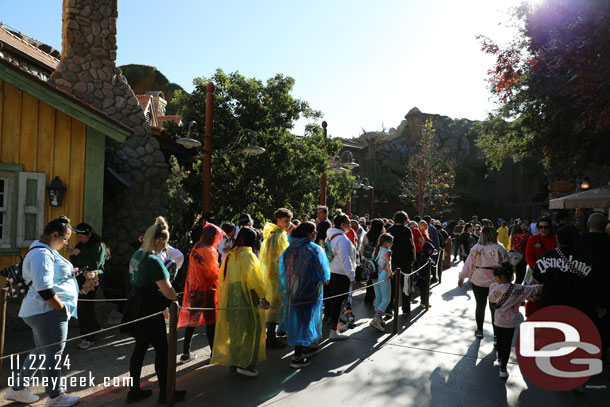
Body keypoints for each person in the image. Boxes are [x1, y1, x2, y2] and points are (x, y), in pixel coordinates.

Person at [5, 217, 80, 406]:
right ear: (55, 235)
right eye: (65, 240)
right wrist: (60, 308)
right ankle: (55, 396)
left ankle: (18, 389)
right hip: (47, 311)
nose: (65, 244)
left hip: (42, 311)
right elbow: (44, 287)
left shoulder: (44, 251)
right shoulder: (42, 254)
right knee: (53, 354)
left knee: (41, 352)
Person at [121, 217, 185, 404]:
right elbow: (168, 291)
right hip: (149, 309)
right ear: (159, 240)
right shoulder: (153, 261)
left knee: (139, 349)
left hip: (135, 305)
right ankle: (166, 393)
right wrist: (176, 299)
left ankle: (134, 391)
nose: (165, 247)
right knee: (162, 351)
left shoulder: (136, 255)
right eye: (164, 243)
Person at [212, 227, 269, 377]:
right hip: (246, 297)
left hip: (231, 295)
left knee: (235, 331)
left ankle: (234, 363)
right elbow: (254, 281)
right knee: (252, 330)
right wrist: (263, 297)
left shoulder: (231, 254)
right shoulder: (248, 255)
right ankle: (245, 364)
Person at [278, 222, 331, 368]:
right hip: (309, 290)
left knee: (300, 319)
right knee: (305, 321)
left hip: (292, 290)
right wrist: (324, 278)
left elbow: (283, 271)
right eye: (314, 231)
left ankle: (305, 346)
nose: (315, 233)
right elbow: (323, 272)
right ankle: (298, 356)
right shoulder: (313, 249)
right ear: (308, 234)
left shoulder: (289, 249)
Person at [178, 223, 225, 361]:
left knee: (192, 323)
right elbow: (212, 273)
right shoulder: (209, 250)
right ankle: (213, 353)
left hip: (195, 289)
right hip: (207, 290)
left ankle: (186, 353)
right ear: (212, 237)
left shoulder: (196, 247)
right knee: (211, 323)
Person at [489, 263, 543, 379]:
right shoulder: (519, 289)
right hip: (512, 322)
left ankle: (500, 357)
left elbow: (492, 299)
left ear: (502, 277)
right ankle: (503, 369)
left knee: (499, 339)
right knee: (507, 343)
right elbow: (534, 289)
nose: (495, 279)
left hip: (498, 320)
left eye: (496, 277)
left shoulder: (494, 288)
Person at [458, 226, 509, 340]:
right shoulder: (500, 248)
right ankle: (496, 334)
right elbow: (507, 265)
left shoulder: (476, 248)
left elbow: (468, 265)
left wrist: (461, 277)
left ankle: (479, 330)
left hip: (478, 280)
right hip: (496, 281)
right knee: (495, 308)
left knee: (480, 306)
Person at [67, 222, 107, 350]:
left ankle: (88, 338)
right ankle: (95, 328)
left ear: (89, 234)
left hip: (92, 280)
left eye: (81, 237)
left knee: (85, 307)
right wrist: (73, 254)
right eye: (78, 237)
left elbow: (93, 264)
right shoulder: (81, 245)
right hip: (80, 279)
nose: (79, 239)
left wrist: (78, 254)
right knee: (84, 306)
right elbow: (77, 263)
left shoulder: (99, 246)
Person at [259, 208, 291, 348]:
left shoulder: (274, 234)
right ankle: (270, 338)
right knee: (274, 307)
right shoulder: (277, 235)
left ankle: (271, 336)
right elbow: (277, 258)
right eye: (286, 221)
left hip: (274, 275)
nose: (288, 223)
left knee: (274, 306)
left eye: (289, 220)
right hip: (276, 276)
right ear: (278, 220)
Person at [581, 213, 610, 362]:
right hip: (605, 289)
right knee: (603, 324)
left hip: (584, 289)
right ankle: (602, 353)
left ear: (588, 225)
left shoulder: (579, 242)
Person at [326, 213, 356, 340]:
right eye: (348, 223)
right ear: (342, 224)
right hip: (341, 274)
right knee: (337, 303)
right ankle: (333, 331)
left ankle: (336, 326)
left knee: (334, 302)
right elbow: (345, 259)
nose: (350, 226)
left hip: (331, 272)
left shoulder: (329, 237)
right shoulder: (342, 239)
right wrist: (351, 276)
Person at [387, 211, 416, 315]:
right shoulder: (407, 230)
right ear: (405, 220)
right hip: (406, 260)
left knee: (392, 286)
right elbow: (412, 244)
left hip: (393, 259)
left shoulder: (389, 229)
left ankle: (389, 308)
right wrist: (414, 257)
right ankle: (406, 308)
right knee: (406, 285)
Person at [370, 233, 394, 332]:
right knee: (386, 299)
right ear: (387, 242)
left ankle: (378, 318)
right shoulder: (387, 251)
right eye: (391, 242)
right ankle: (377, 318)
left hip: (375, 275)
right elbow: (388, 262)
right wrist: (390, 272)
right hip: (383, 274)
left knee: (379, 297)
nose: (392, 244)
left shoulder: (376, 250)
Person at [361, 219, 385, 303]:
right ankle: (378, 299)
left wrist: (364, 257)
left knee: (370, 279)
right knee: (379, 280)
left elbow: (362, 248)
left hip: (369, 260)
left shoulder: (367, 235)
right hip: (379, 260)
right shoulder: (382, 236)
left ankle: (368, 298)